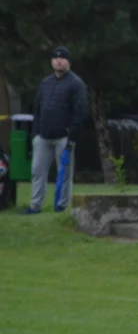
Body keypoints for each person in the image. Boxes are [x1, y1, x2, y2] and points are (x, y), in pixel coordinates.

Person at [25, 46, 87, 214]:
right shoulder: (46, 83)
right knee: (37, 171)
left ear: (69, 62)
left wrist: (71, 133)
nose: (58, 61)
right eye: (55, 58)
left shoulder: (76, 84)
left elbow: (80, 111)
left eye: (62, 58)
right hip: (43, 136)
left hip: (64, 138)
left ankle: (61, 205)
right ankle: (35, 205)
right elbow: (37, 108)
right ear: (51, 61)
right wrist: (36, 133)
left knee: (65, 173)